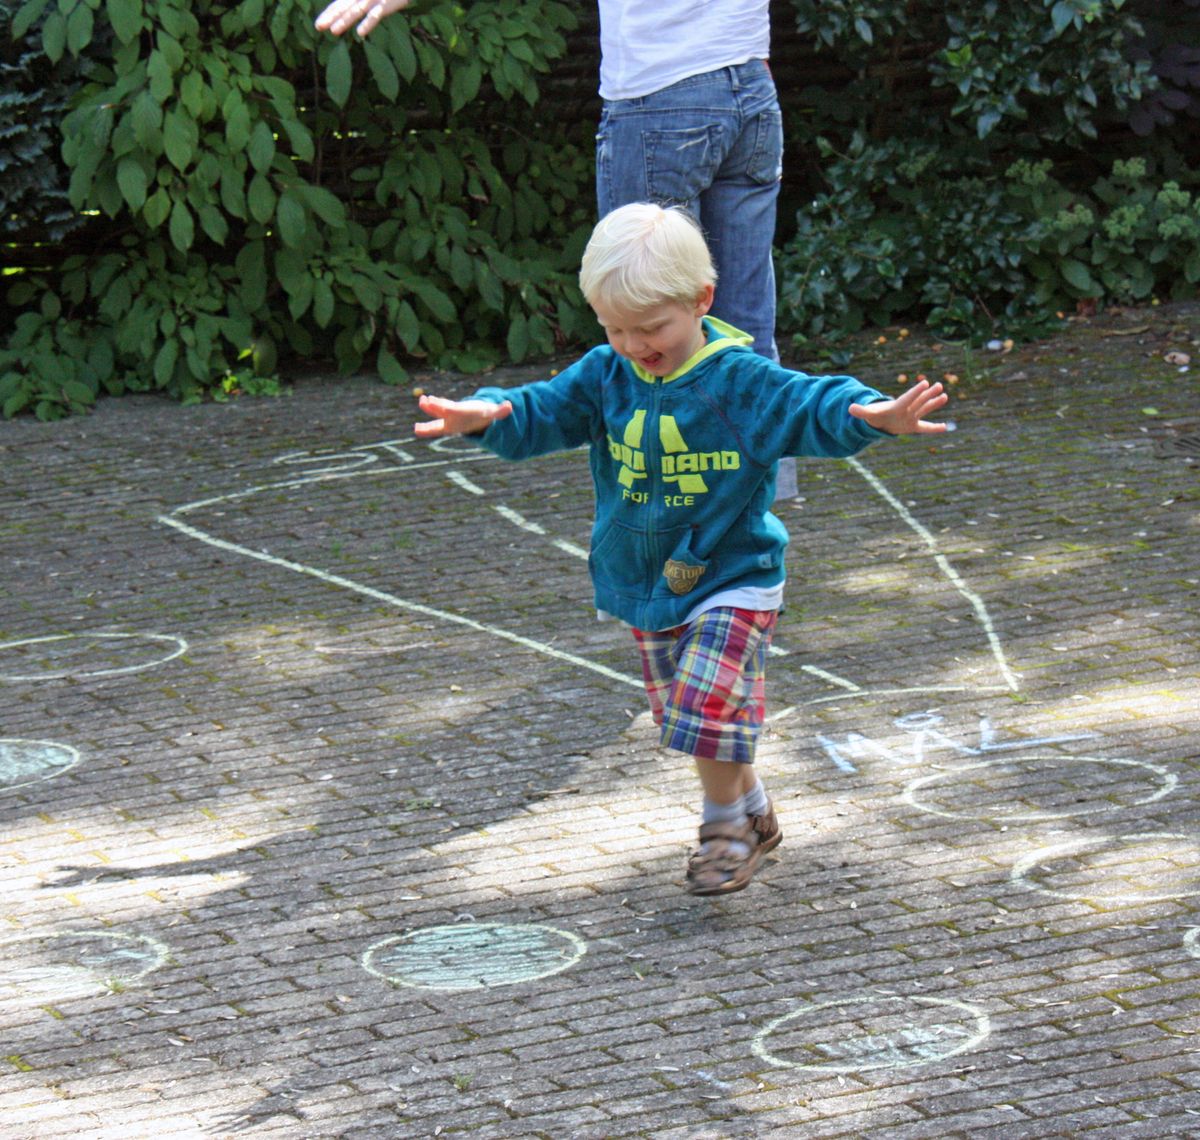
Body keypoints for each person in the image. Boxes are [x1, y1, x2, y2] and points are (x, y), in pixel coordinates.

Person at [413, 203, 949, 895]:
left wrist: (870, 415)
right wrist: (490, 416)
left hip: (735, 574)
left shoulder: (738, 380)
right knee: (693, 718)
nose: (635, 344)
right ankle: (754, 810)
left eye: (652, 327)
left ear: (701, 301)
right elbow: (545, 410)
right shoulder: (607, 374)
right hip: (646, 579)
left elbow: (808, 403)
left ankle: (723, 827)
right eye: (615, 328)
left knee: (704, 703)